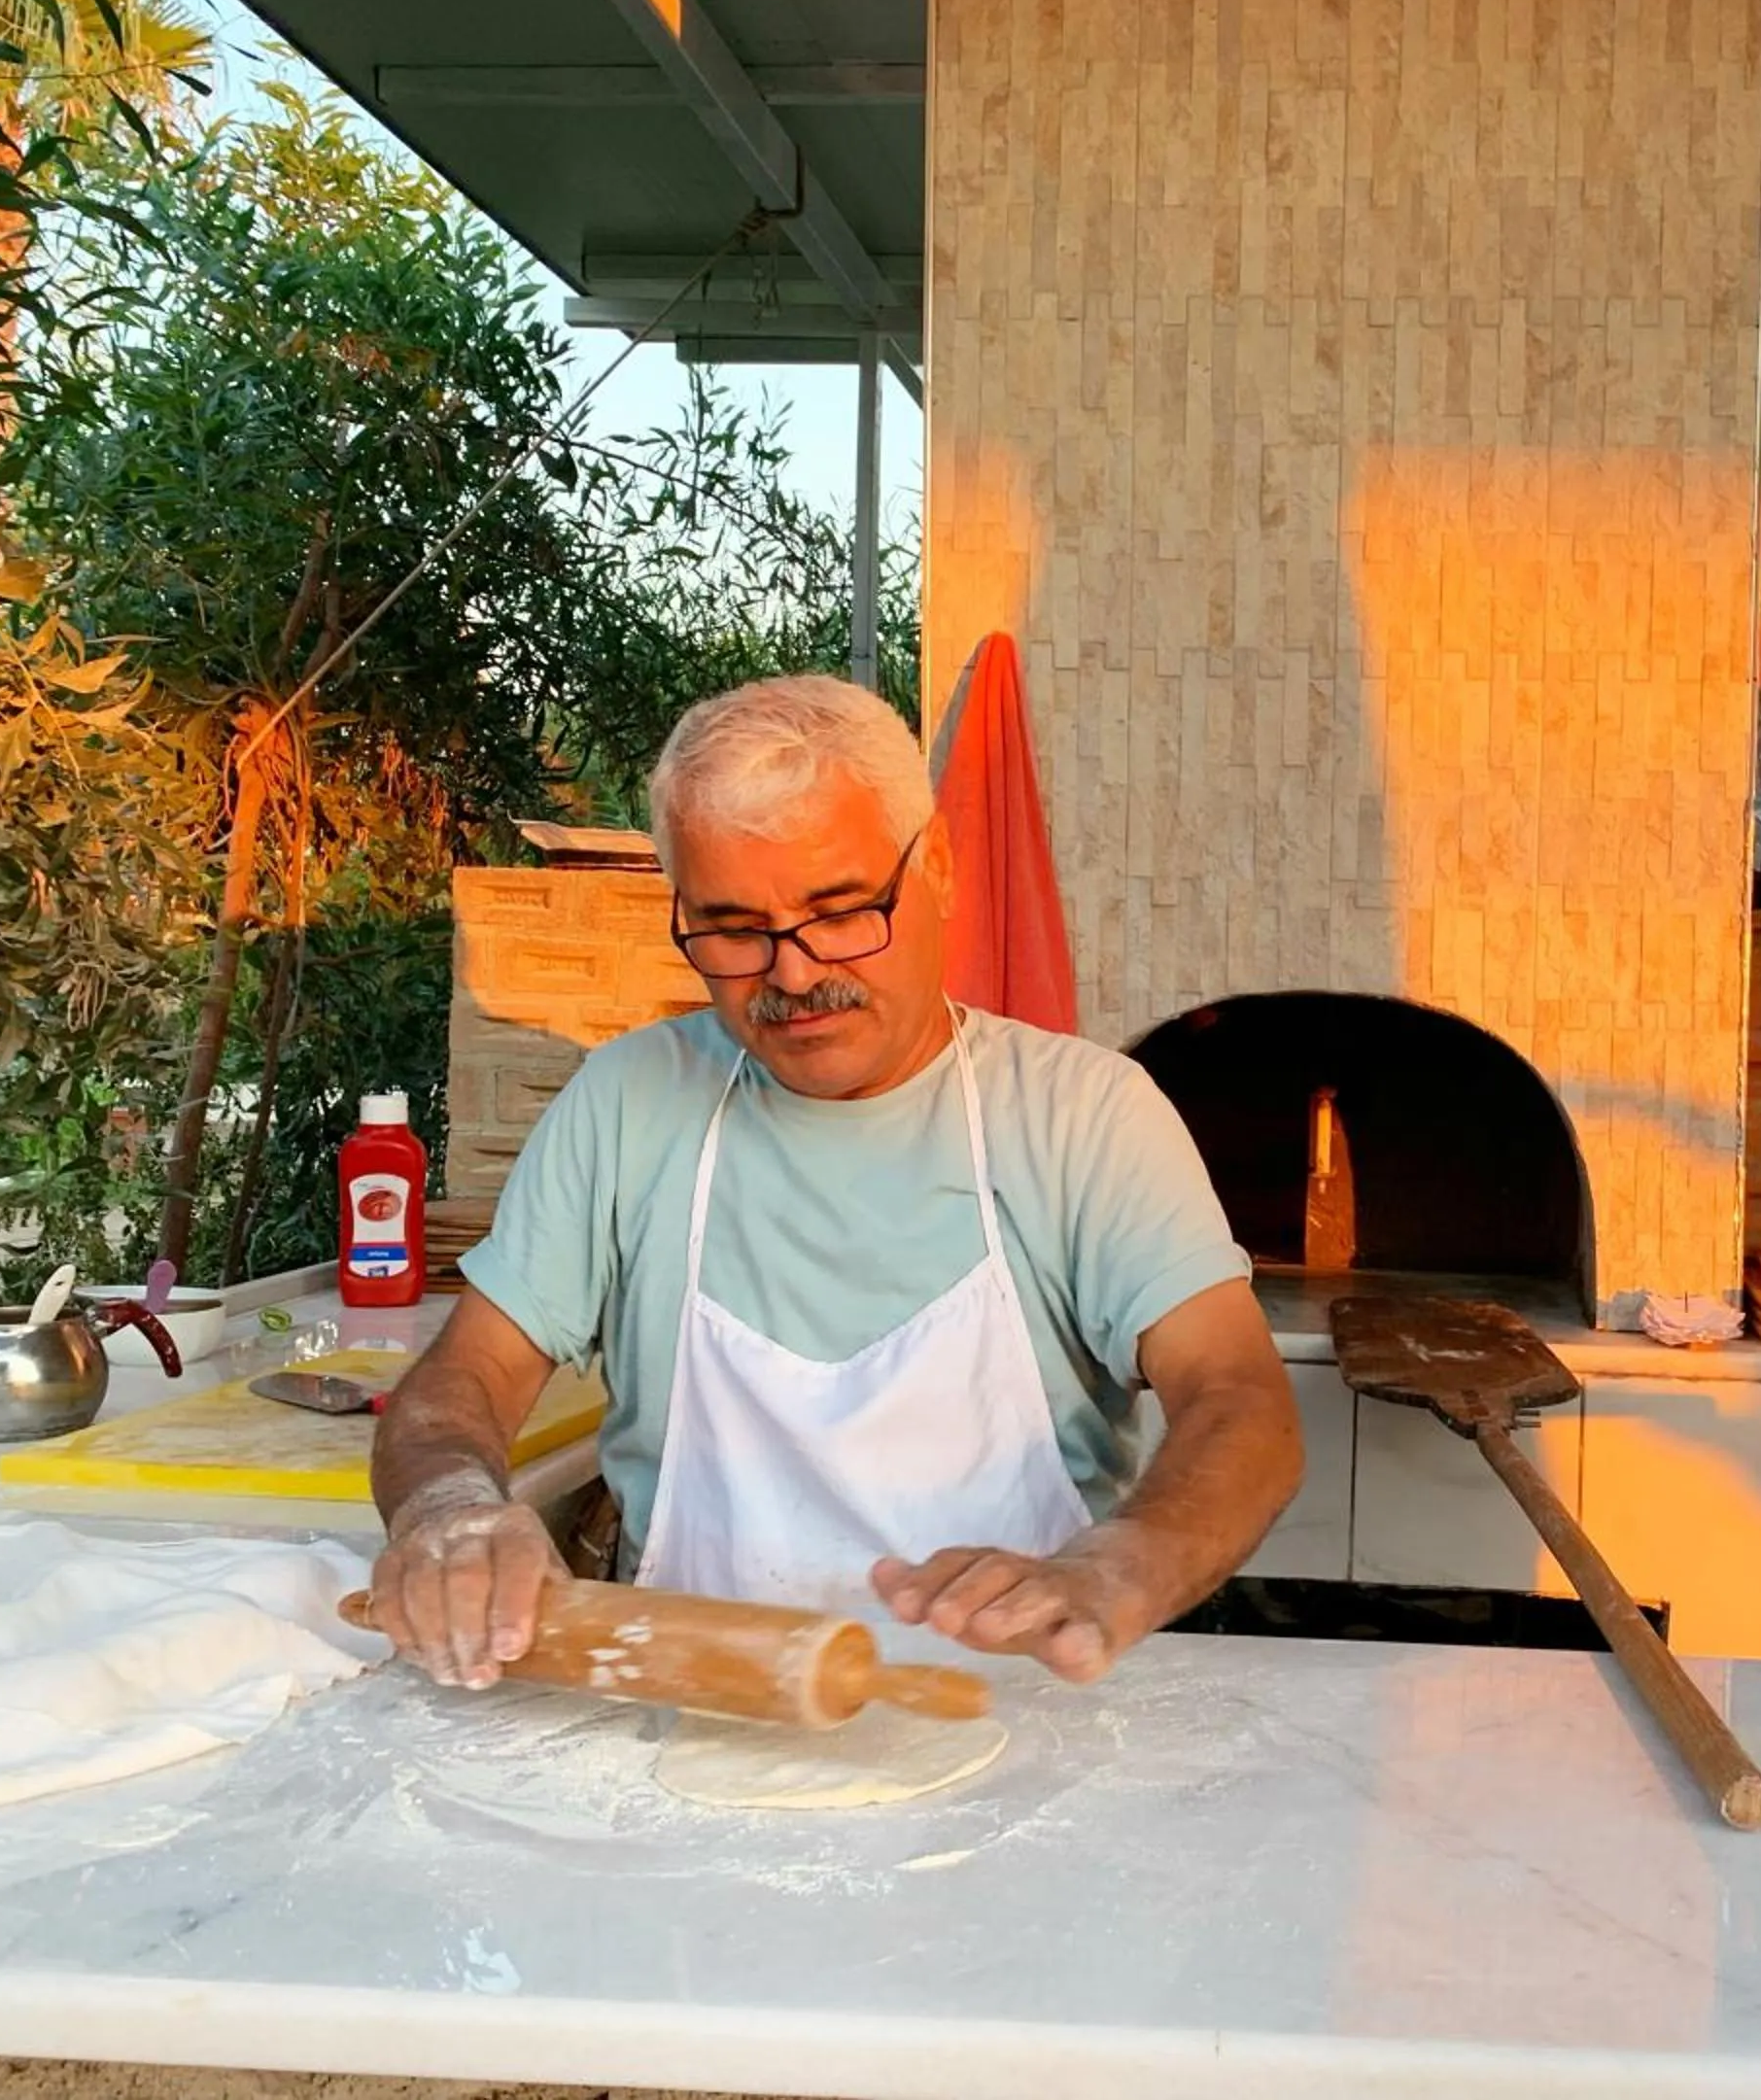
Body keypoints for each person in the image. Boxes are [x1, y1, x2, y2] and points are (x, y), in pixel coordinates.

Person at [365, 675, 1301, 1688]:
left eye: (841, 910)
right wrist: (448, 1508)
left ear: (934, 864)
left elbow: (1239, 1399)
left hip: (1020, 1724)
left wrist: (1126, 1566)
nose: (795, 972)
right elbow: (463, 1382)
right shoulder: (628, 1104)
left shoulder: (1083, 1116)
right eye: (733, 929)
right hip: (688, 1717)